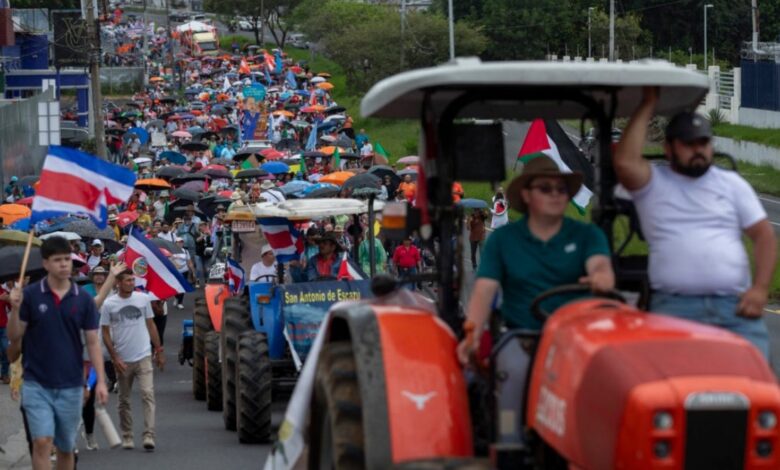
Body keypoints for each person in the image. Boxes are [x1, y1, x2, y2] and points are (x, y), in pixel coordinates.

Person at [455, 157, 614, 444]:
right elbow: (484, 289)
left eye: (561, 189)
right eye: (546, 188)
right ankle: (510, 444)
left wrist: (601, 279)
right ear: (527, 195)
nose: (555, 194)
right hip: (524, 336)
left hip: (577, 338)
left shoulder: (587, 235)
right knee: (511, 373)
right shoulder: (504, 240)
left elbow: (601, 268)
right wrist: (472, 334)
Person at [614, 88, 777, 357]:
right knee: (671, 391)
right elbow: (625, 162)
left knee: (758, 388)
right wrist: (648, 103)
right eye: (688, 144)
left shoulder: (732, 184)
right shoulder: (654, 183)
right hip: (675, 308)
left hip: (733, 309)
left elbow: (764, 236)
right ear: (668, 149)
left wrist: (759, 290)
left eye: (703, 143)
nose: (698, 149)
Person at [7, 236, 108, 470]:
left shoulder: (82, 299)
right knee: (41, 442)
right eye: (57, 260)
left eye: (67, 259)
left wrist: (100, 381)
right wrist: (15, 309)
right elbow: (14, 336)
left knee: (65, 447)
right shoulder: (31, 296)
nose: (64, 264)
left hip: (71, 384)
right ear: (45, 264)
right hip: (36, 383)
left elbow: (92, 342)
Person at [100, 270, 164, 452]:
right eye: (128, 280)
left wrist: (158, 349)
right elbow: (104, 332)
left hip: (143, 355)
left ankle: (149, 435)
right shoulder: (109, 304)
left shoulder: (143, 299)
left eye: (132, 280)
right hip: (123, 359)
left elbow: (150, 325)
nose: (131, 283)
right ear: (118, 283)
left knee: (147, 393)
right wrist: (114, 357)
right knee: (124, 400)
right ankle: (127, 435)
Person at [0, 280, 10, 384]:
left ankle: (5, 374)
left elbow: (11, 307)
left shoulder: (4, 291)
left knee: (5, 349)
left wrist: (9, 299)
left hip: (3, 326)